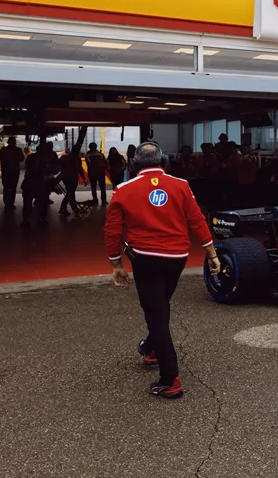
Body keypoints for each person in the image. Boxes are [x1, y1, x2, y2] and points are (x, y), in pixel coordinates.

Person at [104, 142, 220, 399]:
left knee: (156, 313)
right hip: (177, 258)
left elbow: (112, 231)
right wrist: (211, 252)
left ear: (134, 164)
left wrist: (116, 264)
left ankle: (171, 379)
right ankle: (150, 347)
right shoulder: (181, 185)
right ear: (163, 160)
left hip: (145, 260)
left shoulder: (123, 190)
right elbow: (196, 219)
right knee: (160, 306)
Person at [58, 146, 87, 217]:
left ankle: (72, 207)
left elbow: (79, 169)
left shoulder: (64, 157)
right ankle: (63, 207)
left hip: (70, 177)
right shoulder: (76, 158)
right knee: (70, 192)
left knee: (71, 193)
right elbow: (79, 169)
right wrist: (83, 178)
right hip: (70, 177)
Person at [0, 137, 24, 211]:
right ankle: (11, 203)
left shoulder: (3, 150)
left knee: (7, 188)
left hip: (6, 171)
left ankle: (7, 204)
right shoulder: (18, 150)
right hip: (14, 171)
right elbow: (21, 159)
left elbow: (1, 159)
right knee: (13, 188)